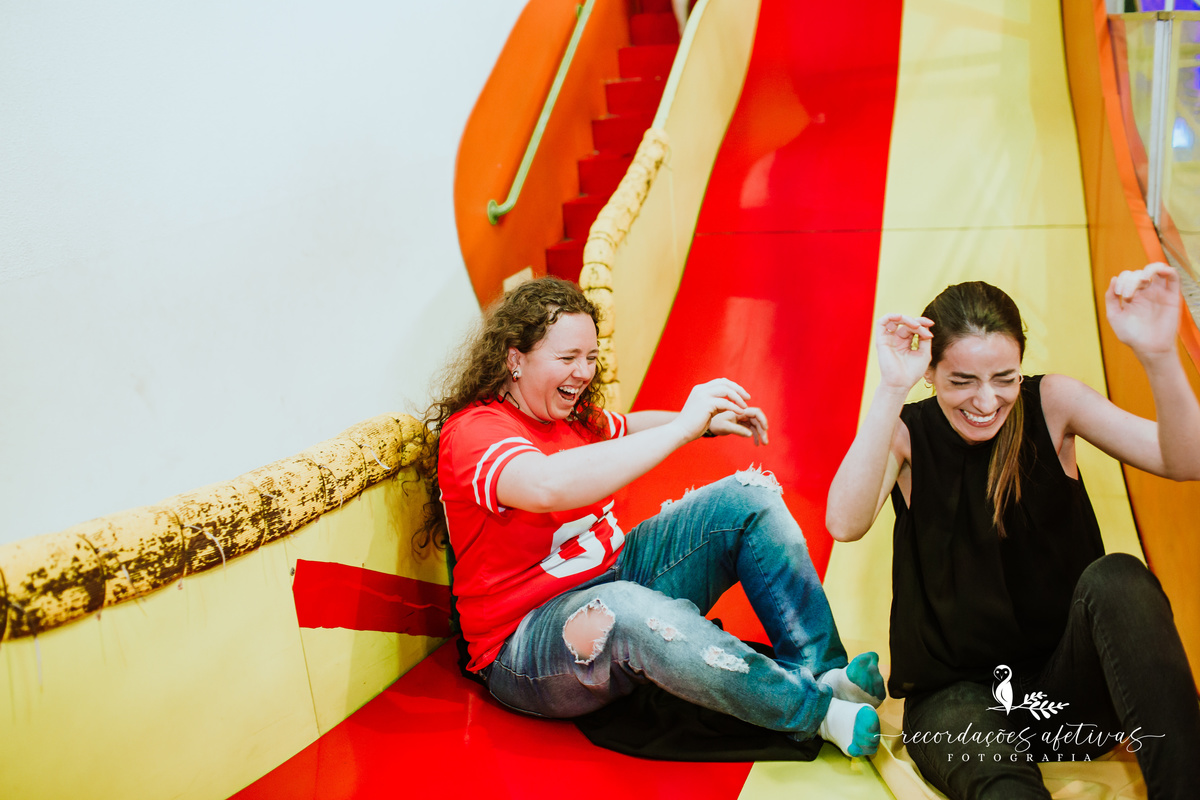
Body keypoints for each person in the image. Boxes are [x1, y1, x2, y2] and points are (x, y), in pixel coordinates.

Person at [420, 276, 883, 758]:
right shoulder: (474, 432)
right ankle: (814, 711)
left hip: (618, 573)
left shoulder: (569, 416)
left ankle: (823, 669)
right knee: (619, 607)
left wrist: (704, 425)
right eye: (567, 358)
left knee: (749, 497)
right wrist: (684, 428)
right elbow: (543, 484)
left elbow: (626, 427)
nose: (582, 372)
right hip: (526, 640)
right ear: (515, 358)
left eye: (590, 358)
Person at [825, 263, 1200, 798]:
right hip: (956, 699)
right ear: (929, 372)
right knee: (1005, 788)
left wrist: (1159, 356)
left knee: (1118, 577)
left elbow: (1185, 459)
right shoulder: (909, 434)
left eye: (1004, 378)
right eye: (962, 381)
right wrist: (889, 389)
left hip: (1065, 695)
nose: (985, 402)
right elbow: (843, 522)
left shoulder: (1053, 404)